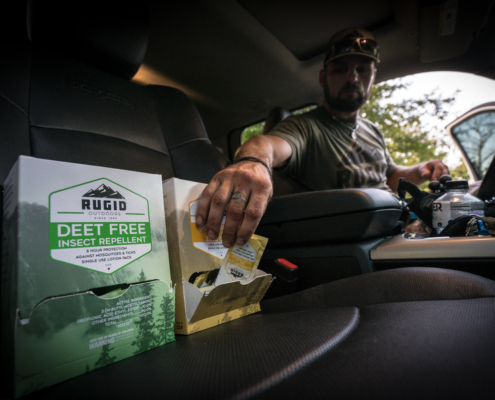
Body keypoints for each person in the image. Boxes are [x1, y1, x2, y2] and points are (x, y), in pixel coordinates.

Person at [195, 27, 449, 248]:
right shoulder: (305, 126)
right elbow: (267, 144)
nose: (352, 78)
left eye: (362, 69)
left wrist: (421, 169)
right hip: (362, 242)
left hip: (402, 228)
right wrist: (253, 162)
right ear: (322, 77)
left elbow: (390, 176)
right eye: (340, 69)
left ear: (373, 78)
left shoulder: (373, 130)